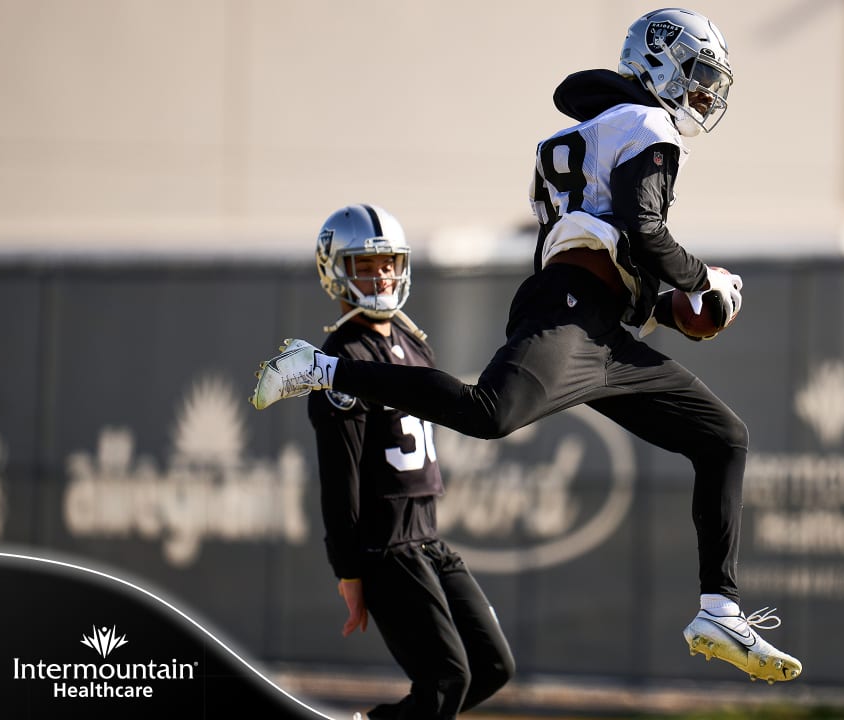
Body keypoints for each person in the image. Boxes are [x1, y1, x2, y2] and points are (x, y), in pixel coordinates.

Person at [250, 8, 802, 683]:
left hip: (599, 324)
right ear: (661, 62)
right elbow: (643, 228)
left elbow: (609, 245)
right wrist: (705, 282)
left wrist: (670, 308)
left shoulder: (593, 131)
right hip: (570, 313)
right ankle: (324, 365)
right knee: (489, 412)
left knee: (723, 437)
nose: (705, 91)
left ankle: (719, 608)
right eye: (699, 73)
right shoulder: (649, 125)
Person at [301, 204, 514, 720]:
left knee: (491, 666)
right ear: (336, 270)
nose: (382, 276)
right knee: (447, 678)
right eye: (366, 266)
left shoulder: (411, 342)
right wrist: (348, 572)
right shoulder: (340, 360)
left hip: (428, 537)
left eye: (389, 263)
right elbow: (340, 480)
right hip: (386, 546)